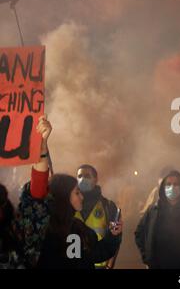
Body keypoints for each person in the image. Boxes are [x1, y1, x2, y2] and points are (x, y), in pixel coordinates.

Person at [13, 115, 123, 269]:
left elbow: (97, 253)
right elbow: (37, 191)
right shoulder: (42, 226)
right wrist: (42, 147)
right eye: (77, 192)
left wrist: (113, 236)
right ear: (64, 196)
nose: (81, 195)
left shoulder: (77, 228)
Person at [135, 170, 180, 269]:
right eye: (168, 184)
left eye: (176, 184)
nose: (172, 187)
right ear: (162, 188)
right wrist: (146, 257)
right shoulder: (154, 210)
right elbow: (139, 233)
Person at [75, 164, 122, 269]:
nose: (83, 179)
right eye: (80, 176)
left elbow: (115, 240)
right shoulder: (70, 205)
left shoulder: (108, 206)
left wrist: (110, 266)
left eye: (87, 176)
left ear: (95, 179)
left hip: (100, 265)